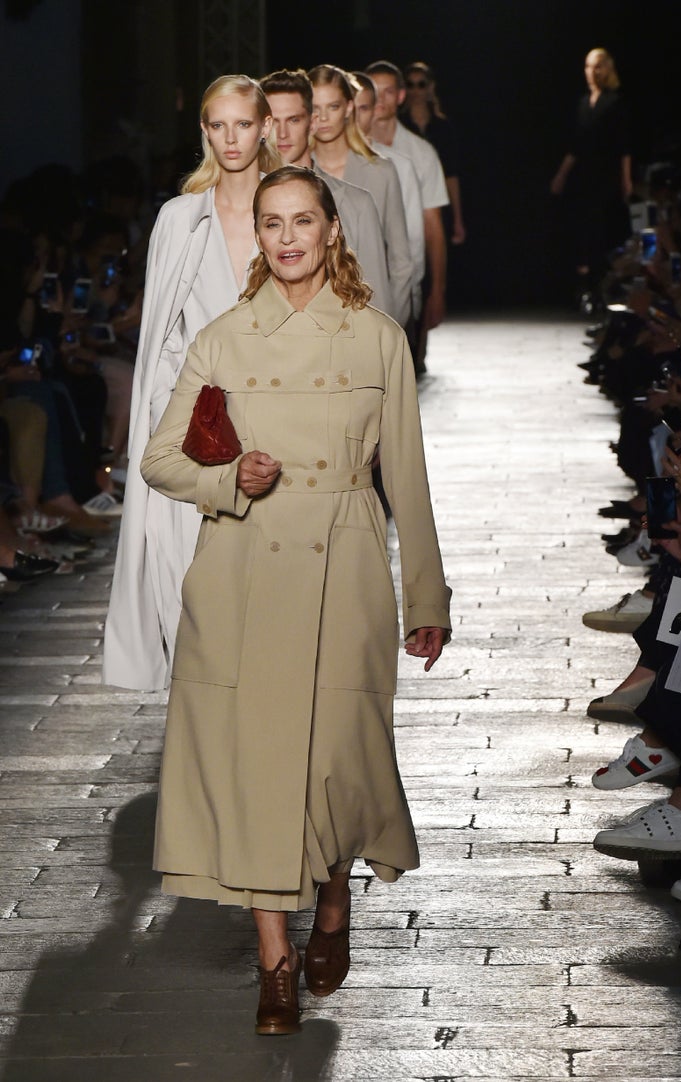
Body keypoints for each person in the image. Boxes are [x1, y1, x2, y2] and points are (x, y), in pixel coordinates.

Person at [139, 166, 452, 1036]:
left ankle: (334, 898)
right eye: (272, 222)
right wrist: (229, 476)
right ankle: (274, 965)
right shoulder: (225, 338)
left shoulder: (375, 338)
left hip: (344, 559)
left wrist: (426, 594)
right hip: (241, 565)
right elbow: (160, 460)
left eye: (302, 221)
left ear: (329, 230)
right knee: (255, 764)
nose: (285, 238)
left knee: (337, 760)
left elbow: (410, 482)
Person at [103, 75, 281, 691]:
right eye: (218, 125)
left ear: (265, 128)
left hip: (281, 417)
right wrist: (169, 413)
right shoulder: (179, 219)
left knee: (269, 586)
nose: (231, 138)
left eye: (242, 124)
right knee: (190, 578)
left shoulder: (288, 210)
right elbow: (162, 332)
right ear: (204, 132)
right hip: (197, 423)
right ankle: (205, 731)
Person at [259, 68, 394, 320]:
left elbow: (378, 308)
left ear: (311, 123)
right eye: (274, 122)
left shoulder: (357, 204)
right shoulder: (240, 204)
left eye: (294, 120)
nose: (283, 133)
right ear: (261, 128)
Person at [307, 63, 412, 327]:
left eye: (332, 106)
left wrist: (391, 326)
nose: (323, 118)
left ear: (348, 108)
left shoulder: (382, 172)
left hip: (371, 315)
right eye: (315, 108)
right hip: (312, 321)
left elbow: (400, 262)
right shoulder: (297, 175)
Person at [366, 60, 449, 373]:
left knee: (404, 376)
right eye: (373, 91)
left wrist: (436, 291)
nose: (380, 99)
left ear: (400, 96)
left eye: (388, 91)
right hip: (356, 285)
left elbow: (432, 227)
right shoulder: (339, 152)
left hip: (406, 283)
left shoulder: (421, 153)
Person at [550, 47, 632, 301]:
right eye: (588, 66)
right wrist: (561, 175)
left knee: (600, 231)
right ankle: (583, 286)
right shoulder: (584, 103)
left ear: (607, 69)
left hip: (605, 176)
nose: (592, 72)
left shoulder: (615, 102)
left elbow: (623, 146)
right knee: (581, 229)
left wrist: (626, 180)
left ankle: (600, 289)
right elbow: (576, 144)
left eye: (597, 66)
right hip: (583, 176)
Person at [400, 61, 466, 246]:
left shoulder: (443, 128)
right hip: (405, 206)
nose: (416, 90)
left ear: (430, 88)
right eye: (410, 84)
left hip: (437, 204)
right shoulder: (398, 126)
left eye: (421, 84)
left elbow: (451, 174)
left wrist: (457, 219)